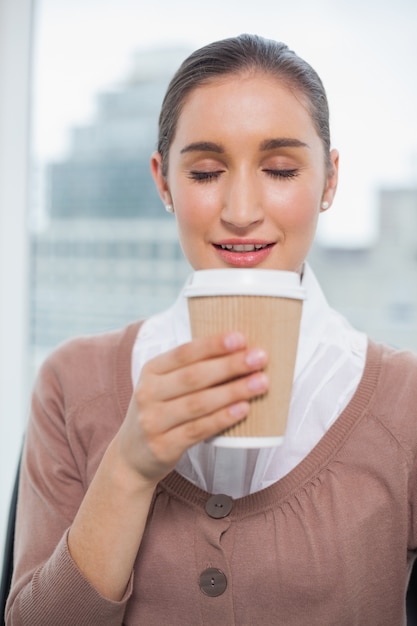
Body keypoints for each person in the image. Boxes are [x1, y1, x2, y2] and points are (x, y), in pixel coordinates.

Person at [5, 34, 417, 626]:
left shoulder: (402, 400)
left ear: (329, 181)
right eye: (204, 172)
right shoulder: (73, 383)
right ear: (163, 182)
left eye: (279, 169)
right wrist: (128, 466)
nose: (242, 209)